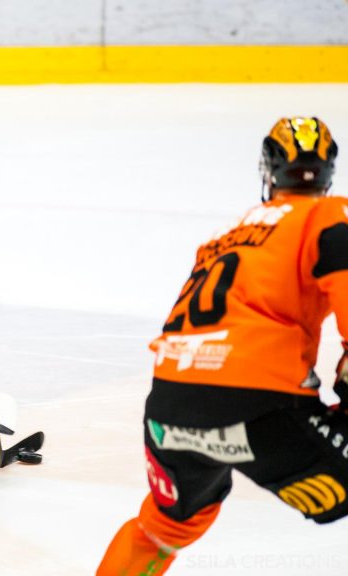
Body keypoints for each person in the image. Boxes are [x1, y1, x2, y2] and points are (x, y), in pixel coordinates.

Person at [97, 117, 346, 574]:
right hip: (259, 403)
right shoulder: (329, 216)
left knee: (162, 530)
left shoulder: (223, 237)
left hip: (170, 408)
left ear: (269, 171)